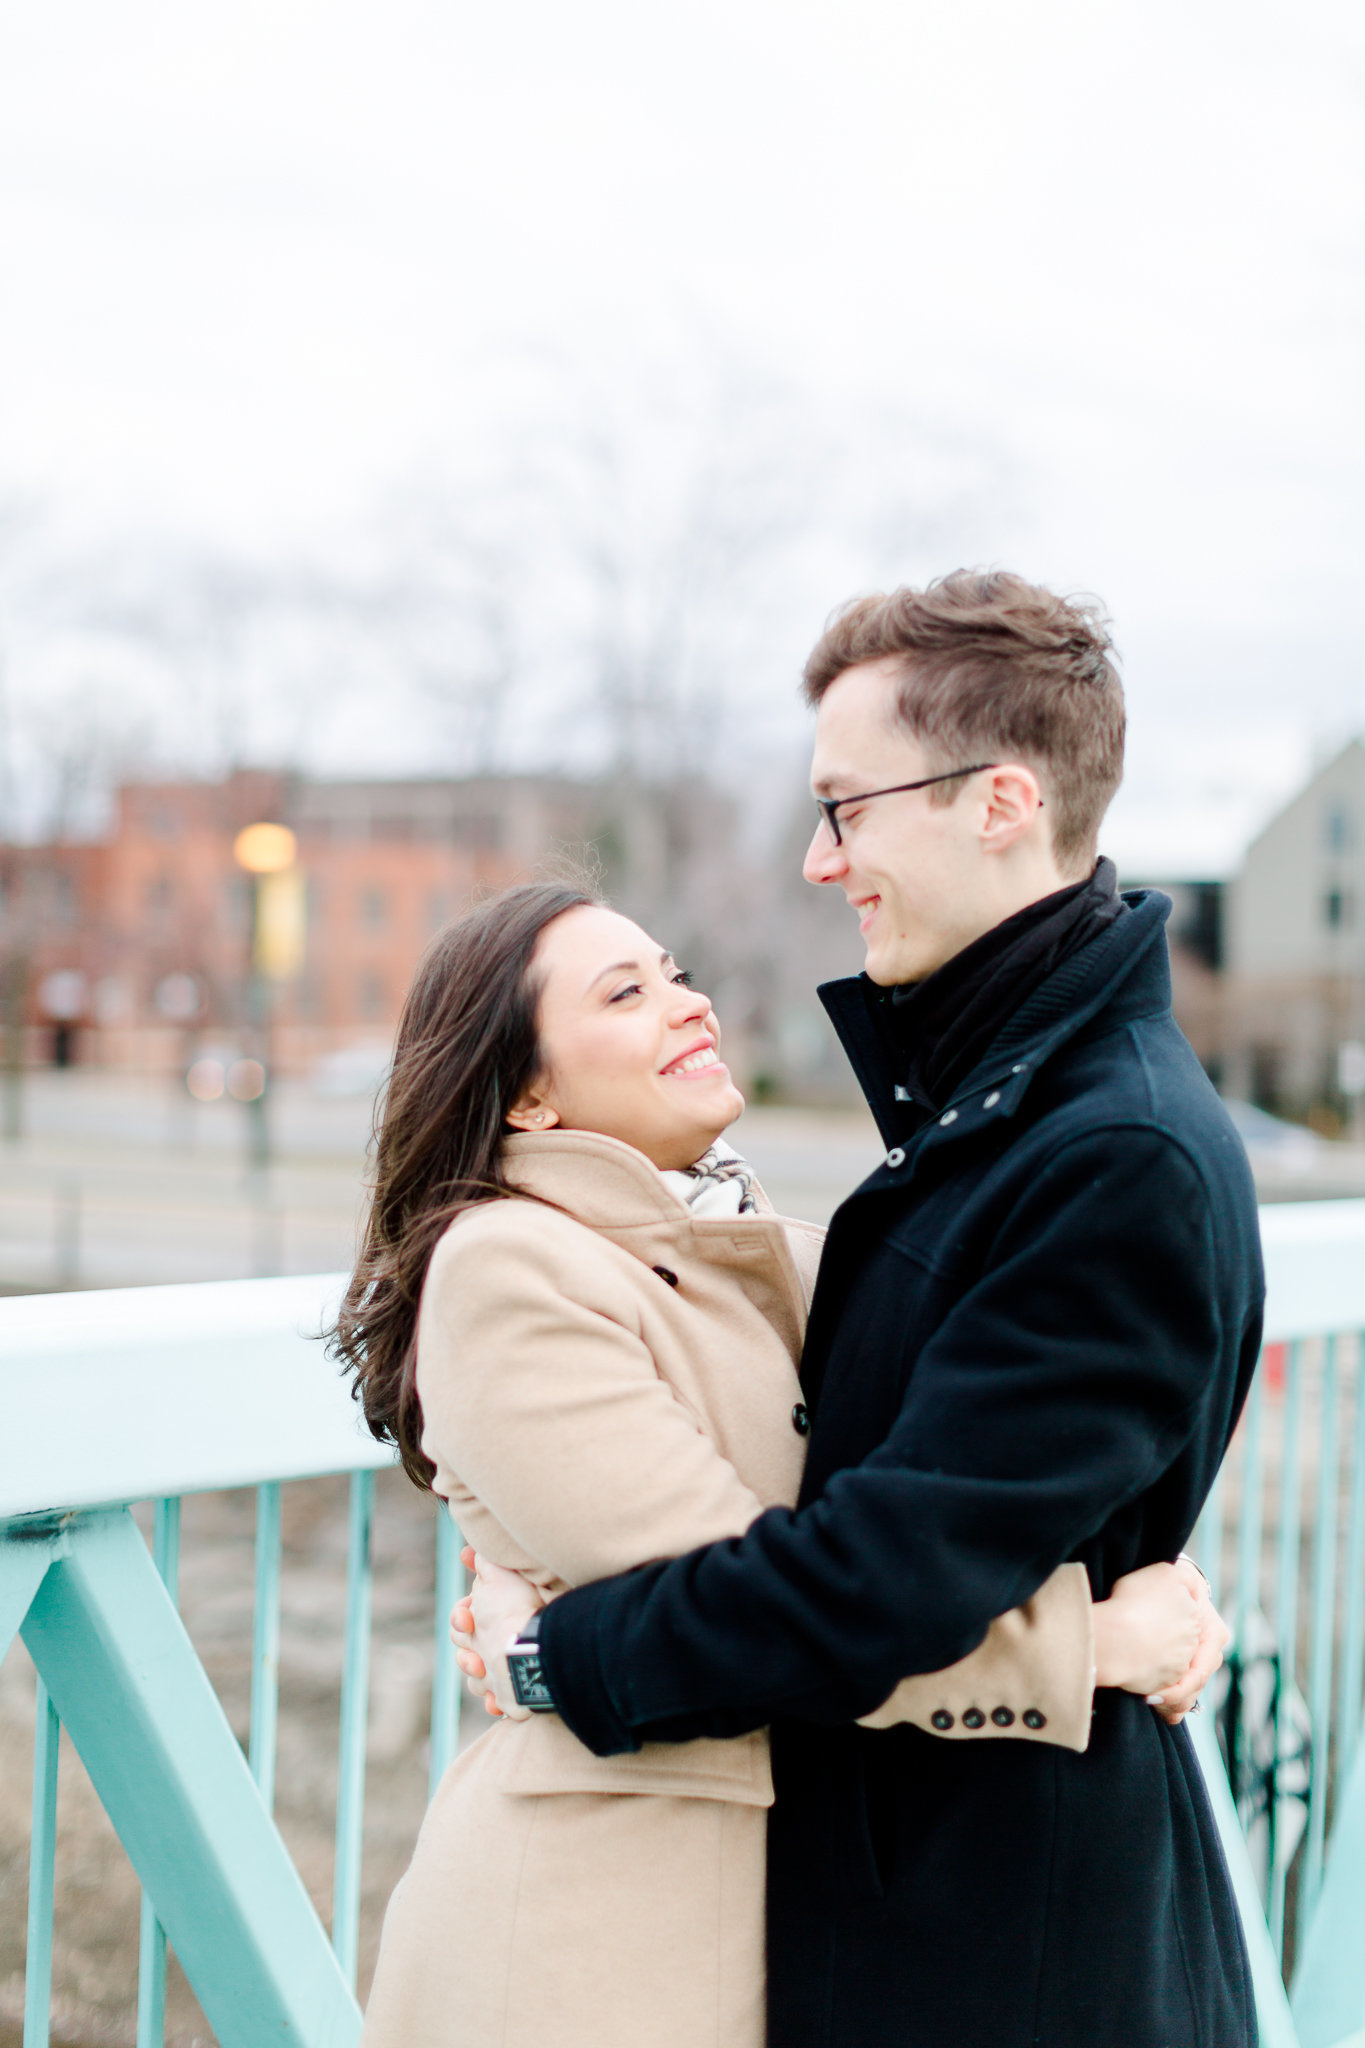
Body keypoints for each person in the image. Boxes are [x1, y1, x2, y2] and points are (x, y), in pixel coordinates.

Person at [457, 572, 1263, 2048]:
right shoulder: (1007, 1118)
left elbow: (872, 1582)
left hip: (1004, 1952)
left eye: (849, 808)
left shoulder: (1109, 1153)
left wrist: (555, 1659)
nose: (824, 862)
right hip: (932, 1910)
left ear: (999, 802)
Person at [330, 877, 1214, 2048]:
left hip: (784, 1917)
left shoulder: (781, 1257)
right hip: (588, 1938)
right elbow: (766, 1598)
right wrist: (1091, 1643)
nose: (686, 1004)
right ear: (531, 1092)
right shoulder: (508, 1269)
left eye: (677, 973)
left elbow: (930, 1509)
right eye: (626, 992)